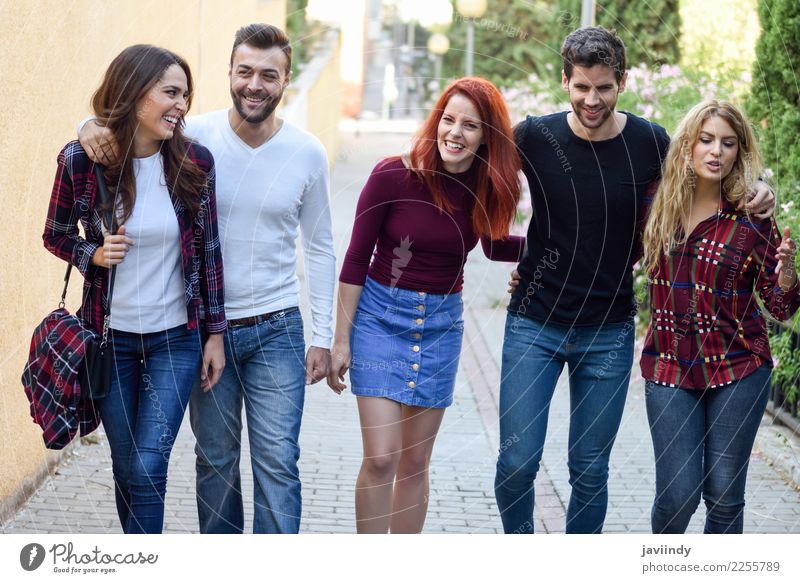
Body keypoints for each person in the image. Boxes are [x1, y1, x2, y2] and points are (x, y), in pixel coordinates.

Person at [497, 27, 775, 534]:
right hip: (533, 326)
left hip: (608, 331)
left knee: (589, 470)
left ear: (622, 81)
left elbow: (707, 179)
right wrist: (526, 257)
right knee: (516, 465)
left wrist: (760, 188)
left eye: (604, 87)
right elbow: (483, 196)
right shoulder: (534, 137)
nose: (592, 99)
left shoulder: (650, 142)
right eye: (582, 87)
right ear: (565, 82)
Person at [78, 24, 336, 534]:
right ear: (230, 74)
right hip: (202, 331)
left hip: (277, 327)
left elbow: (322, 247)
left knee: (278, 464)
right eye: (245, 72)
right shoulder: (193, 138)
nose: (254, 84)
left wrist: (324, 337)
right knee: (215, 461)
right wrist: (89, 123)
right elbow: (131, 120)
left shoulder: (308, 152)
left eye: (269, 74)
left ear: (285, 81)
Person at [328, 77, 527, 533]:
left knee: (415, 462)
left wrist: (555, 251)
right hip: (379, 321)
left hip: (439, 327)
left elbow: (496, 247)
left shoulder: (486, 187)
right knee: (381, 458)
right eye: (449, 120)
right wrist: (342, 341)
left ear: (485, 136)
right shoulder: (390, 176)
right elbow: (356, 260)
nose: (455, 133)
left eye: (470, 125)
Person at [44, 44, 226, 534]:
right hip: (110, 342)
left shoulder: (195, 164)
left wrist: (214, 334)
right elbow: (55, 233)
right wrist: (92, 255)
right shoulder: (82, 161)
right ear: (134, 93)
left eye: (185, 95)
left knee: (148, 467)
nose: (181, 105)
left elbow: (209, 253)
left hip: (175, 340)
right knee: (128, 470)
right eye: (170, 92)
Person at [639, 100, 797, 534]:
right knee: (677, 494)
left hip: (738, 369)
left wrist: (786, 271)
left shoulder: (752, 216)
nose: (716, 151)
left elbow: (781, 306)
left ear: (739, 152)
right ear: (687, 145)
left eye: (728, 143)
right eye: (706, 140)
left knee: (725, 497)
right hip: (669, 366)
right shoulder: (655, 203)